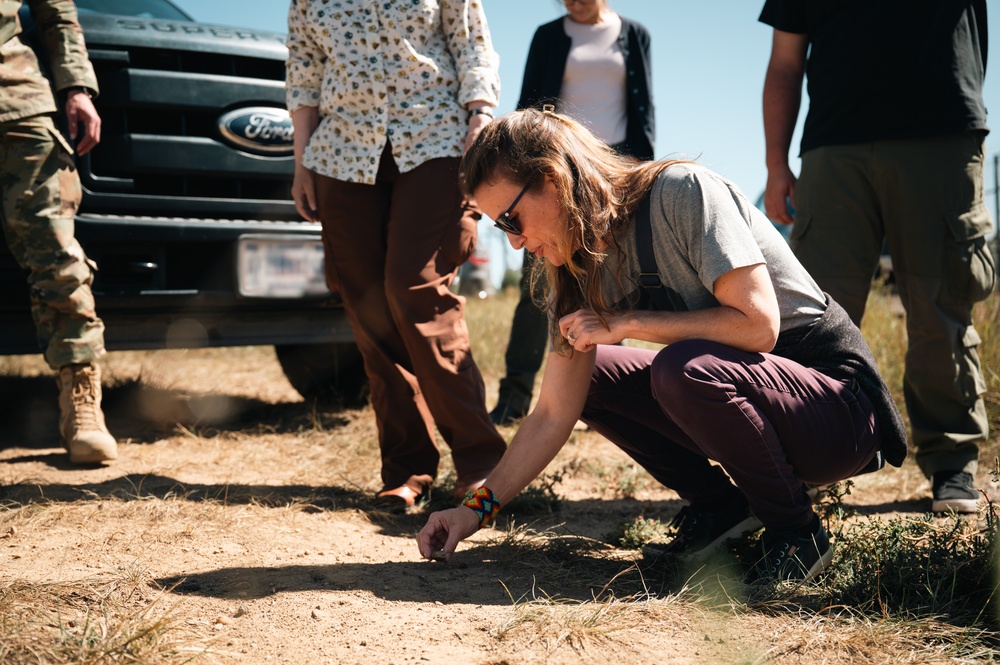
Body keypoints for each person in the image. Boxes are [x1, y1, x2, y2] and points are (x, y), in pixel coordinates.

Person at [417, 108, 908, 582]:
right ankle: (722, 509)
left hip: (840, 413)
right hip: (761, 402)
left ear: (553, 179)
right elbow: (551, 413)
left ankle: (797, 534)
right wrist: (473, 512)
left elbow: (759, 327)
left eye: (511, 220)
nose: (514, 243)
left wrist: (627, 320)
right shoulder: (573, 266)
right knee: (594, 375)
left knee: (683, 368)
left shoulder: (681, 192)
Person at [759, 0, 994, 513]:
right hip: (833, 147)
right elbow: (785, 62)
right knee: (810, 318)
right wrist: (776, 163)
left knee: (939, 308)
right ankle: (804, 464)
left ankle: (952, 460)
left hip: (941, 134)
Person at [285, 0, 507, 510]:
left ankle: (480, 457)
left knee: (415, 287)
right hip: (340, 151)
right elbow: (304, 72)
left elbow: (471, 42)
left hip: (435, 141)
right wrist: (301, 163)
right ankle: (407, 466)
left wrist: (480, 116)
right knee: (367, 305)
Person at [490, 0, 655, 426]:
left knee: (613, 283)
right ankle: (514, 398)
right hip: (553, 174)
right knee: (538, 287)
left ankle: (614, 400)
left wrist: (638, 170)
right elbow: (526, 110)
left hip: (611, 172)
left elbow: (644, 110)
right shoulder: (548, 35)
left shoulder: (635, 34)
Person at [1, 0, 117, 464]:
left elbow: (57, 11)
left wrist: (76, 86)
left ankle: (82, 404)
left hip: (15, 99)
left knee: (55, 252)